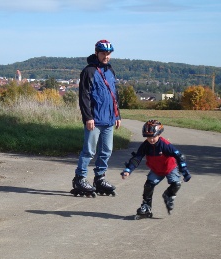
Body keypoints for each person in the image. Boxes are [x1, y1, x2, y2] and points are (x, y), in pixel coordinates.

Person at [71, 39, 121, 197]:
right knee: (89, 151)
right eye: (103, 53)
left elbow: (114, 95)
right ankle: (80, 178)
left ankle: (99, 178)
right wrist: (88, 117)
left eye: (108, 54)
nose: (106, 56)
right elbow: (84, 96)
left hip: (109, 120)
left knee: (106, 151)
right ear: (97, 53)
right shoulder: (89, 71)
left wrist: (117, 115)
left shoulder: (110, 71)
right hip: (94, 119)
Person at [121, 120, 191, 218]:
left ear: (159, 134)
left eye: (153, 137)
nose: (151, 139)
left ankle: (168, 195)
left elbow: (179, 156)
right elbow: (137, 158)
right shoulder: (145, 145)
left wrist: (185, 171)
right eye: (148, 137)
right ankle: (146, 206)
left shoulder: (165, 145)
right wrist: (128, 170)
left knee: (176, 184)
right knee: (148, 186)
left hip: (169, 168)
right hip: (156, 170)